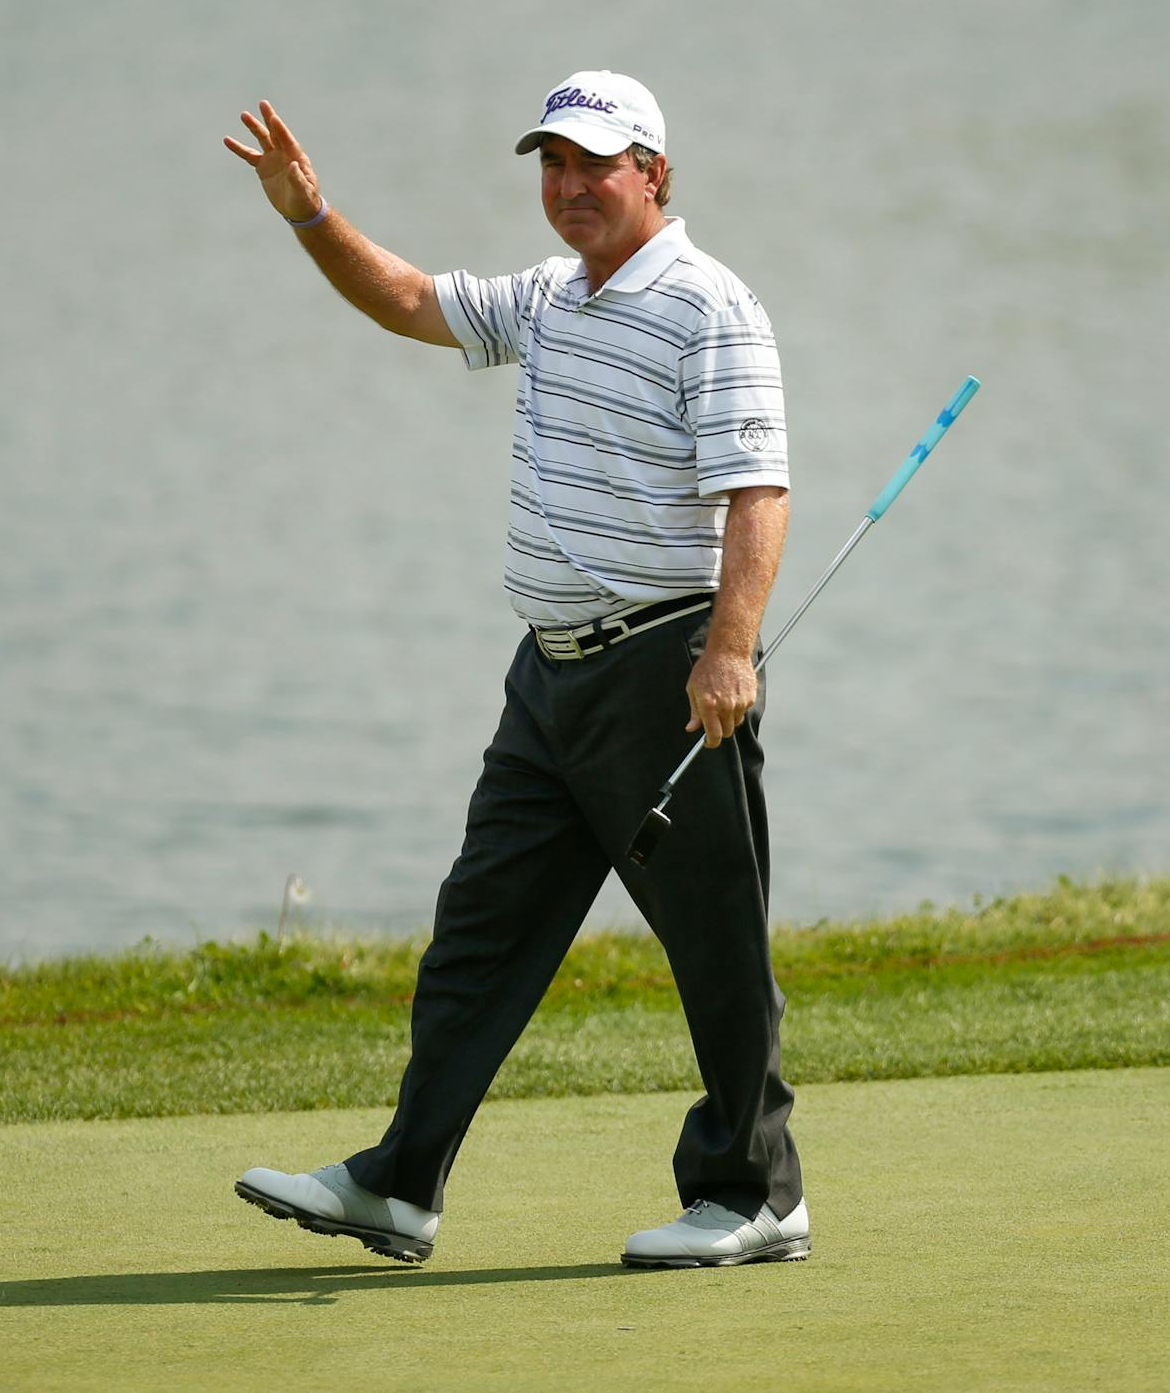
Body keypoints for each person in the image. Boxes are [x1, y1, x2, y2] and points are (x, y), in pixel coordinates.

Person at [220, 72, 807, 1270]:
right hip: (547, 679)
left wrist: (728, 649)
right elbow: (407, 301)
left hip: (665, 672)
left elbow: (758, 491)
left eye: (595, 164)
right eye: (553, 164)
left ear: (653, 171)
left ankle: (755, 1193)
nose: (569, 186)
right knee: (478, 936)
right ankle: (401, 1183)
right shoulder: (547, 298)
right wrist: (309, 214)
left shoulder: (710, 305)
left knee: (714, 941)